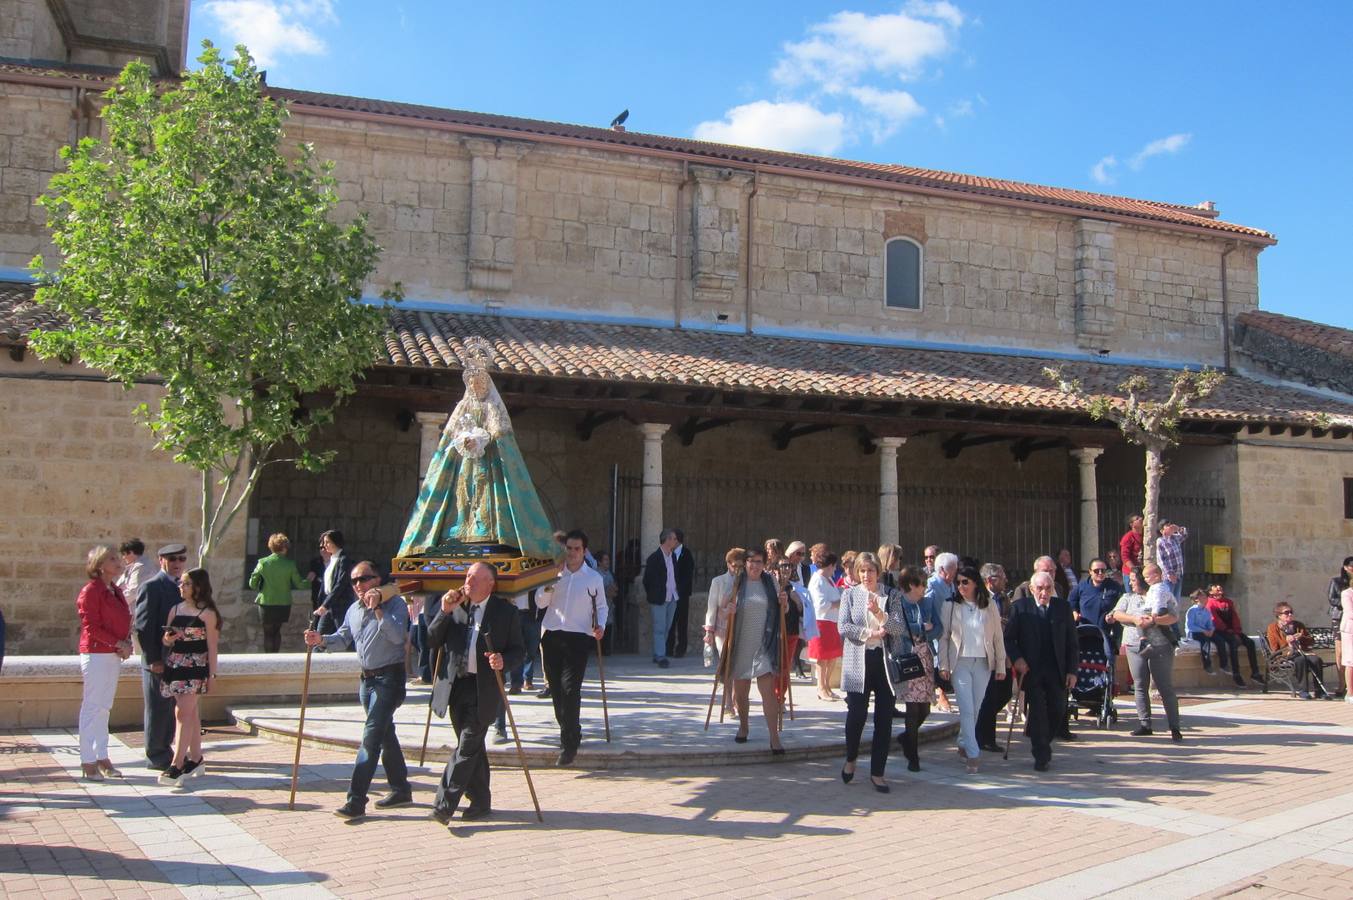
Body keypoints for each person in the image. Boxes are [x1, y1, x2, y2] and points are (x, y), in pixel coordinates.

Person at [398, 337, 556, 563]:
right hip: (465, 464)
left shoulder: (493, 406)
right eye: (471, 383)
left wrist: (480, 440)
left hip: (490, 464)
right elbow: (451, 437)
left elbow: (497, 433)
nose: (475, 386)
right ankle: (458, 532)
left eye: (479, 382)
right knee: (462, 495)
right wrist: (464, 441)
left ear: (486, 383)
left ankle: (488, 533)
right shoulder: (463, 406)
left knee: (485, 496)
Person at [304, 561, 412, 821]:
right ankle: (401, 789)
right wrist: (321, 641)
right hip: (366, 681)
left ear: (378, 580)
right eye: (354, 581)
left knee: (371, 737)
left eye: (364, 579)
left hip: (390, 678)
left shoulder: (395, 604)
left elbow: (398, 637)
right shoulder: (353, 609)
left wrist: (378, 611)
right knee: (385, 733)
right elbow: (342, 638)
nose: (359, 585)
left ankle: (356, 800)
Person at [425, 562, 525, 825]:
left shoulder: (505, 612)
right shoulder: (456, 605)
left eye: (475, 577)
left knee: (466, 748)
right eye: (467, 575)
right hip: (457, 686)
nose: (468, 581)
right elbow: (432, 639)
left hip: (485, 688)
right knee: (472, 747)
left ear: (490, 583)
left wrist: (503, 661)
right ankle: (480, 801)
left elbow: (519, 651)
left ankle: (443, 805)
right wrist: (445, 612)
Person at [536, 529, 607, 766]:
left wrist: (601, 626)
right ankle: (570, 727)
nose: (573, 553)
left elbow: (602, 607)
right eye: (569, 548)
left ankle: (569, 743)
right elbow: (539, 602)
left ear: (584, 551)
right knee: (556, 690)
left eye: (577, 549)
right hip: (553, 635)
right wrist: (551, 582)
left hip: (578, 638)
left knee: (570, 689)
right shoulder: (554, 573)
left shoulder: (593, 578)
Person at [838, 552, 904, 792]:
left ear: (879, 572)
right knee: (856, 715)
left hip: (884, 662)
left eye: (871, 571)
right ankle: (851, 758)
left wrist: (878, 613)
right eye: (862, 571)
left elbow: (898, 627)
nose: (866, 576)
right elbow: (843, 626)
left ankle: (878, 772)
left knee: (884, 719)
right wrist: (869, 634)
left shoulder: (892, 595)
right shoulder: (849, 595)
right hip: (859, 660)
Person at [712, 549, 786, 751]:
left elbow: (782, 609)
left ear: (764, 563)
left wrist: (784, 602)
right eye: (751, 561)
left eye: (759, 562)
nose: (755, 566)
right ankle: (744, 726)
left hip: (765, 643)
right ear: (745, 563)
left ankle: (774, 737)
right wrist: (728, 611)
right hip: (741, 643)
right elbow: (723, 609)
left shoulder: (770, 582)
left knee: (768, 692)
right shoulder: (737, 583)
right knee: (742, 693)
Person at [1004, 571, 1079, 771]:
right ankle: (1041, 753)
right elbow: (1009, 639)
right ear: (1031, 589)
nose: (1044, 593)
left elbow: (1072, 642)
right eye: (1040, 588)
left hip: (1057, 669)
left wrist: (1073, 671)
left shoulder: (1062, 608)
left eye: (1048, 588)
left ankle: (1042, 738)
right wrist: (1017, 659)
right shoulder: (1020, 608)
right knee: (1037, 712)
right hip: (1032, 669)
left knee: (1057, 708)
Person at [938, 564, 1007, 774]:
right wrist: (943, 664)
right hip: (960, 663)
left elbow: (997, 637)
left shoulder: (989, 606)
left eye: (965, 582)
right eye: (958, 582)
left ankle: (963, 740)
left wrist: (1001, 664)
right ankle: (973, 753)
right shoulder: (950, 606)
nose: (961, 586)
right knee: (966, 709)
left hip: (983, 663)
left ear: (975, 583)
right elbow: (944, 637)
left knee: (976, 708)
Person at [157, 568, 221, 786]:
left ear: (198, 587)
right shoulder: (175, 609)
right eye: (181, 583)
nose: (181, 587)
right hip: (176, 664)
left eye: (186, 584)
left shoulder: (208, 613)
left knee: (182, 712)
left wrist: (213, 674)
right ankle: (196, 758)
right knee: (189, 711)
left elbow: (212, 645)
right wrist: (168, 638)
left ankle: (177, 763)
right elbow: (167, 641)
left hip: (197, 666)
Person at [77, 546, 133, 781]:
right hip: (97, 652)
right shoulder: (91, 591)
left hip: (112, 653)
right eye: (111, 558)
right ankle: (87, 759)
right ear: (100, 565)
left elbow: (123, 620)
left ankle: (102, 756)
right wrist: (117, 643)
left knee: (104, 707)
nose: (118, 561)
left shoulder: (115, 590)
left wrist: (125, 643)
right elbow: (91, 626)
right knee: (92, 706)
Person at [134, 543, 189, 770]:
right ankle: (157, 755)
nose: (177, 564)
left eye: (181, 559)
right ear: (161, 560)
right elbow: (143, 627)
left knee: (174, 710)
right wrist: (153, 659)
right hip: (159, 659)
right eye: (172, 559)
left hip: (181, 659)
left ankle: (170, 751)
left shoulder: (184, 587)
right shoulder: (152, 587)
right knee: (158, 710)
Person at [1113, 564, 1183, 740]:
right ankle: (1145, 724)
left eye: (1135, 580)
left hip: (1160, 647)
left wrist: (1154, 620)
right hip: (1134, 647)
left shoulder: (1159, 593)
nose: (1132, 583)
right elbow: (1117, 614)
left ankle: (1174, 727)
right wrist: (1135, 619)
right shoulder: (1127, 597)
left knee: (1164, 685)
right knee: (1139, 684)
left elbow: (1174, 616)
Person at [886, 566, 941, 770]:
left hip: (925, 656)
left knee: (925, 708)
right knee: (912, 707)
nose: (925, 588)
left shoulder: (926, 602)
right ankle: (913, 756)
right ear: (911, 585)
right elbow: (896, 629)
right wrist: (919, 628)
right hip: (907, 657)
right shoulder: (897, 602)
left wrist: (925, 632)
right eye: (922, 584)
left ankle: (906, 738)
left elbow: (938, 627)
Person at [975, 563, 1014, 753]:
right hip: (984, 653)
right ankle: (985, 738)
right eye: (1001, 576)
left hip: (1003, 652)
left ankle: (981, 724)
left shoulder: (1005, 599)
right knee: (989, 696)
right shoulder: (979, 599)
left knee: (1005, 692)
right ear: (990, 581)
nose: (1005, 579)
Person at [248, 532, 307, 653]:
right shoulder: (290, 564)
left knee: (268, 633)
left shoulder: (263, 562)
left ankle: (268, 658)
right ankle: (276, 657)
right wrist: (310, 581)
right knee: (277, 631)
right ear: (284, 548)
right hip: (283, 602)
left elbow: (252, 584)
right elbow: (300, 584)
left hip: (266, 601)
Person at [1265, 603, 1330, 700]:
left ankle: (1319, 691)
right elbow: (1274, 649)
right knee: (1301, 660)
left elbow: (1311, 640)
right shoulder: (1273, 628)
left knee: (1316, 660)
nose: (1290, 615)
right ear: (1279, 615)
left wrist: (1301, 637)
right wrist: (1288, 644)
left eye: (1291, 612)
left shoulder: (1298, 625)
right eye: (1286, 613)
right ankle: (1303, 690)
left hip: (1303, 651)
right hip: (1285, 655)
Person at [1205, 584, 1265, 688]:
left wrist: (1236, 631)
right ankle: (1236, 674)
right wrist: (1227, 630)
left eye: (1220, 588)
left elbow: (1235, 617)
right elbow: (1214, 620)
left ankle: (1255, 673)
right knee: (1233, 644)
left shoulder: (1228, 602)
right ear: (1210, 592)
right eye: (1216, 588)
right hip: (1220, 631)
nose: (1219, 590)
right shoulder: (1209, 603)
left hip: (1232, 631)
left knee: (1250, 643)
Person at [1068, 557, 1124, 655]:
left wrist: (1114, 615)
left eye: (1103, 570)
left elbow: (1123, 604)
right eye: (1096, 571)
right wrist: (1074, 612)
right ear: (1090, 572)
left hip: (1106, 636)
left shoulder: (1114, 587)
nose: (1100, 573)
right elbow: (1071, 601)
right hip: (1084, 634)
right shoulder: (1082, 586)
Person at [807, 549, 843, 701]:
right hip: (821, 622)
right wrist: (838, 603)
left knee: (832, 655)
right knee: (822, 658)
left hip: (832, 622)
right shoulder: (817, 580)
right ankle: (821, 687)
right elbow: (820, 604)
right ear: (829, 566)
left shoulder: (828, 579)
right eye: (834, 567)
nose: (835, 570)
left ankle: (827, 685)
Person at [642, 528, 681, 668]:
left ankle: (658, 653)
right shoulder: (654, 558)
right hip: (659, 598)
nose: (676, 541)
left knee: (666, 627)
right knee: (659, 628)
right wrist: (653, 594)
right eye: (674, 539)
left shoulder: (673, 557)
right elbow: (647, 580)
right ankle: (660, 656)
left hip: (672, 597)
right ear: (667, 539)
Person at [926, 552, 958, 713]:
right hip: (935, 634)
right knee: (938, 665)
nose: (955, 573)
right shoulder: (931, 584)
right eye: (953, 569)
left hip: (950, 633)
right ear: (942, 570)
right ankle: (941, 696)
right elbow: (925, 606)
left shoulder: (951, 584)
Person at [703, 547, 747, 660]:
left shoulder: (748, 582)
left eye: (740, 566)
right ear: (728, 564)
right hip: (723, 627)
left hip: (741, 626)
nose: (737, 569)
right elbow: (712, 607)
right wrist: (709, 630)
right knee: (725, 659)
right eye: (734, 566)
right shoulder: (718, 582)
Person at [314, 530, 355, 638]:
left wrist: (325, 605)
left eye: (327, 542)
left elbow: (340, 584)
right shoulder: (332, 559)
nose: (324, 545)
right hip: (329, 604)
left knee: (345, 637)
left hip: (340, 605)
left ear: (335, 542)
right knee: (319, 635)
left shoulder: (344, 560)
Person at [668, 528, 695, 659]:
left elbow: (688, 574)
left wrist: (679, 588)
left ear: (676, 540)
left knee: (682, 622)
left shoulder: (686, 554)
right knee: (670, 622)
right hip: (670, 594)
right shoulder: (668, 553)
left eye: (671, 538)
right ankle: (668, 648)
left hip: (682, 594)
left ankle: (681, 649)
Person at [1329, 557, 1353, 692]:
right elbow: (1332, 598)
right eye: (1351, 566)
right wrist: (1347, 604)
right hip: (1340, 618)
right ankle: (1341, 683)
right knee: (1341, 651)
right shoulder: (1337, 581)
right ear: (1345, 567)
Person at [1184, 589, 1219, 674]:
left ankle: (1224, 664)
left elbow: (1210, 624)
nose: (1205, 598)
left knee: (1219, 639)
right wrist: (1203, 631)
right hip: (1194, 633)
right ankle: (1207, 665)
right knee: (1205, 641)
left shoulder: (1206, 611)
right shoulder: (1192, 610)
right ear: (1196, 599)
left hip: (1205, 632)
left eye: (1206, 597)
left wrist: (1211, 629)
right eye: (1202, 597)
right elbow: (1190, 626)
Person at [1156, 519, 1188, 600]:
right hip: (1168, 577)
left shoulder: (1174, 538)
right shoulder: (1160, 541)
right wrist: (1169, 574)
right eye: (1167, 526)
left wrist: (1178, 529)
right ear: (1162, 531)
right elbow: (1161, 561)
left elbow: (1184, 535)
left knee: (1176, 600)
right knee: (1168, 600)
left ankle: (1175, 613)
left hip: (1178, 574)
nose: (1170, 526)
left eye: (1170, 524)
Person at [1119, 514, 1144, 582]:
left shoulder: (1145, 535)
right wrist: (1134, 569)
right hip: (1130, 573)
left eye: (1140, 517)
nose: (1141, 519)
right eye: (1137, 518)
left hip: (1143, 572)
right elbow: (1124, 556)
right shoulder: (1128, 537)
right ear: (1132, 524)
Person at [1340, 580, 1353, 703]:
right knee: (1351, 661)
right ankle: (1350, 693)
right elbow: (1349, 612)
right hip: (1350, 631)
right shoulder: (1347, 594)